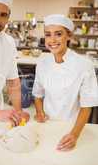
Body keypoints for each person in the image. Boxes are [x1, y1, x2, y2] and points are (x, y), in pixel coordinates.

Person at [32, 14, 98, 151]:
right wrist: (39, 112)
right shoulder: (42, 63)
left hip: (72, 127)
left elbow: (87, 106)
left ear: (68, 36)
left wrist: (74, 134)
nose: (52, 40)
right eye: (48, 35)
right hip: (47, 125)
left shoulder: (84, 65)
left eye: (58, 34)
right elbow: (38, 94)